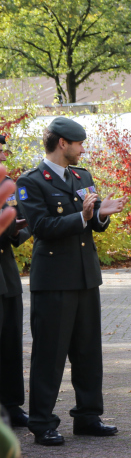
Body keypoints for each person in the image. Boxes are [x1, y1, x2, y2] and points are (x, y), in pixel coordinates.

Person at [16, 117, 126, 446]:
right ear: (62, 143)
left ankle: (88, 416)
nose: (82, 149)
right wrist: (83, 216)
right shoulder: (31, 181)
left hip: (85, 276)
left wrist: (101, 214)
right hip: (54, 280)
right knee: (50, 354)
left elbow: (92, 223)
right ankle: (42, 423)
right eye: (79, 144)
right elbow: (41, 227)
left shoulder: (82, 176)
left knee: (88, 351)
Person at [0, 135, 31, 429]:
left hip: (6, 278)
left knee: (10, 344)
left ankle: (11, 405)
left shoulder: (8, 185)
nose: (2, 156)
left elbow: (23, 225)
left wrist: (15, 231)